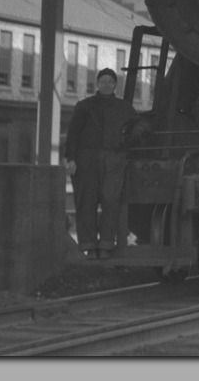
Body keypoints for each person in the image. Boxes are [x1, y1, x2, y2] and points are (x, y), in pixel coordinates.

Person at [65, 67, 136, 256]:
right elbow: (73, 134)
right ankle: (88, 245)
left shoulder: (125, 109)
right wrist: (70, 158)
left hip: (113, 159)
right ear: (97, 84)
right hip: (86, 159)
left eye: (110, 82)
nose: (106, 84)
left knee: (110, 202)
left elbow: (135, 131)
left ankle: (106, 245)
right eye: (103, 81)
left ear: (114, 85)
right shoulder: (84, 106)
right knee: (86, 201)